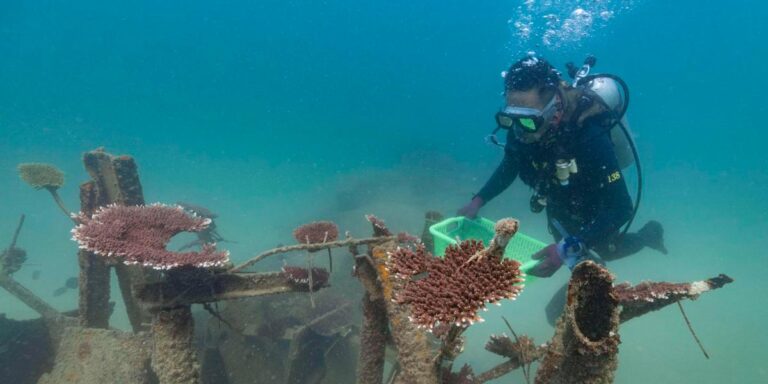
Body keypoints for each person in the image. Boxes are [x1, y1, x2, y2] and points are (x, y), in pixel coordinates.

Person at [458, 54, 667, 281]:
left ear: (554, 107)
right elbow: (511, 164)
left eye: (529, 120)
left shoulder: (590, 136)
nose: (520, 131)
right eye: (511, 119)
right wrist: (478, 201)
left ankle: (648, 236)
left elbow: (621, 207)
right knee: (563, 244)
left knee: (604, 250)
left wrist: (565, 250)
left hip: (594, 204)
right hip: (556, 199)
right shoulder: (521, 126)